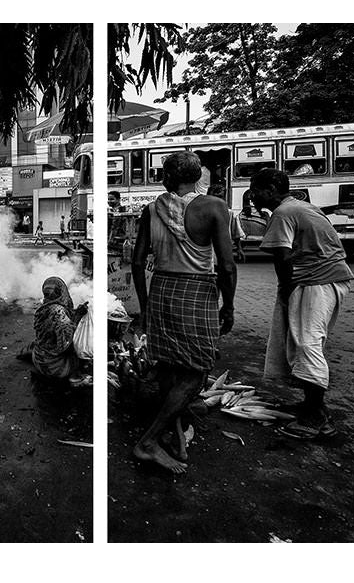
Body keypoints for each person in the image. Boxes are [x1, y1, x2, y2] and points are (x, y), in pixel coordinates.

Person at [132, 151, 236, 474]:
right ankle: (148, 440)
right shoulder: (214, 207)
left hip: (162, 289)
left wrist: (146, 303)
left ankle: (176, 436)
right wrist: (228, 305)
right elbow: (227, 266)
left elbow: (137, 262)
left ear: (165, 178)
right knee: (196, 373)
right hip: (197, 292)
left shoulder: (152, 210)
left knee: (169, 366)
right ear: (199, 176)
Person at [249, 168, 354, 440]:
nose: (252, 195)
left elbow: (282, 256)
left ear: (271, 189)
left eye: (256, 189)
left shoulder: (283, 213)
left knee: (307, 343)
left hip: (316, 280)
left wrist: (285, 289)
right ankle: (309, 406)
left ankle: (316, 418)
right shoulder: (302, 207)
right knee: (306, 341)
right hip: (329, 277)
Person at [23, 277, 89, 385]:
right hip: (54, 367)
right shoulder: (59, 311)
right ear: (61, 291)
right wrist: (78, 316)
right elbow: (65, 343)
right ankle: (75, 377)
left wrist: (76, 313)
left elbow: (61, 322)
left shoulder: (44, 307)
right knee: (82, 350)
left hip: (39, 358)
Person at [207, 184, 246, 263]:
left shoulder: (230, 213)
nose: (216, 200)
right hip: (207, 253)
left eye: (220, 197)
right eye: (213, 197)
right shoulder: (203, 213)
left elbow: (236, 233)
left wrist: (239, 249)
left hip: (223, 252)